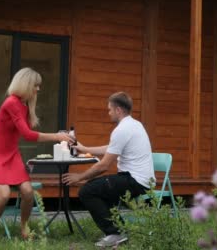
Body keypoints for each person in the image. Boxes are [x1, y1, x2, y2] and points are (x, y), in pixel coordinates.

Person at [0, 67, 75, 244]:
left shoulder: (23, 105)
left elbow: (22, 133)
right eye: (36, 85)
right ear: (26, 85)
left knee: (28, 191)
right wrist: (57, 136)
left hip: (11, 153)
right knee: (3, 194)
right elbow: (27, 135)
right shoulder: (11, 103)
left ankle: (24, 228)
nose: (38, 89)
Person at [62, 92, 155, 248]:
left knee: (87, 191)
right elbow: (111, 148)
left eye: (110, 110)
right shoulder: (134, 124)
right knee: (100, 188)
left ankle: (115, 233)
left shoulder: (122, 129)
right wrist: (84, 148)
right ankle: (119, 230)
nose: (108, 113)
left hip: (134, 181)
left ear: (118, 110)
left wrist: (79, 177)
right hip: (140, 179)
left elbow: (103, 165)